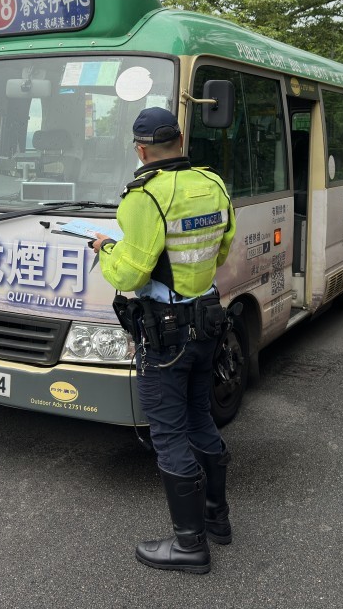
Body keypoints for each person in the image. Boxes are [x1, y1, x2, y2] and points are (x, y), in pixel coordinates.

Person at [90, 106, 237, 574]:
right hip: (208, 317)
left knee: (168, 430)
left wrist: (105, 250)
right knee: (199, 414)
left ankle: (189, 545)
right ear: (179, 139)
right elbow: (224, 245)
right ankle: (217, 518)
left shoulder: (145, 196)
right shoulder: (212, 184)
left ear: (141, 149)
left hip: (167, 329)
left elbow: (132, 273)